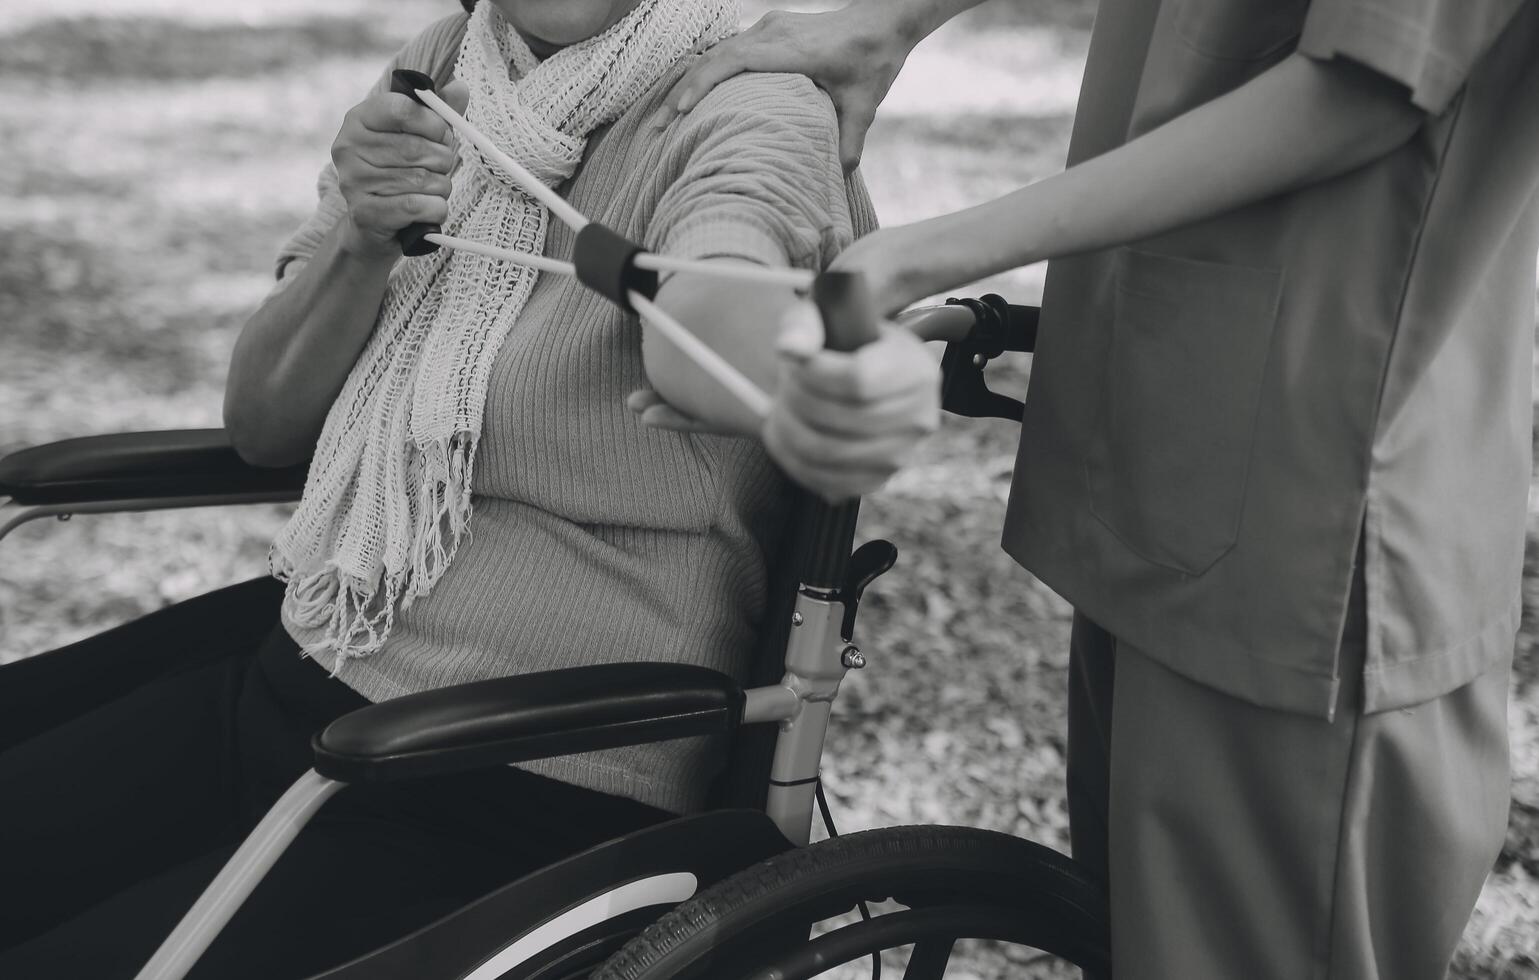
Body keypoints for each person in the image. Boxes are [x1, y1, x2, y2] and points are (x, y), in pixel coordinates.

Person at [0, 1, 939, 976]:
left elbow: (716, 299)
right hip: (311, 667)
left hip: (516, 779)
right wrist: (361, 242)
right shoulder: (450, 67)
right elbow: (263, 422)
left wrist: (780, 369)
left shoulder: (750, 97)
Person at [657, 1, 1539, 977]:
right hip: (1167, 446)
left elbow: (1369, 88)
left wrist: (920, 253)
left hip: (1309, 506)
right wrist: (898, 20)